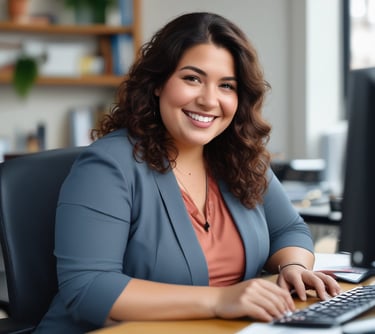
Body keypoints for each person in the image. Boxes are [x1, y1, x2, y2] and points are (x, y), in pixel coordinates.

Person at [35, 12, 341, 333]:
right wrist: (220, 300)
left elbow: (288, 229)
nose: (209, 100)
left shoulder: (240, 157)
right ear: (158, 84)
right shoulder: (108, 166)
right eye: (192, 78)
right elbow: (89, 288)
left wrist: (293, 266)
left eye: (226, 85)